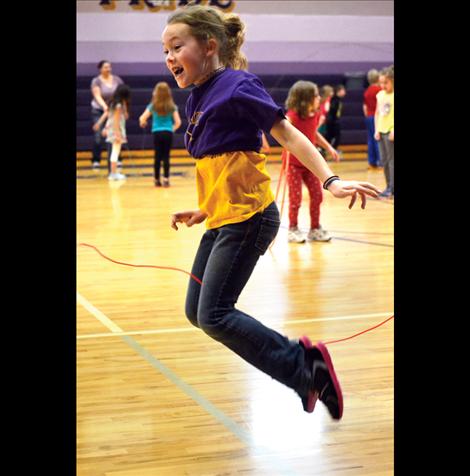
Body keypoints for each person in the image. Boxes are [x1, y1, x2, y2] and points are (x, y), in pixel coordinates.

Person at [163, 5, 380, 419]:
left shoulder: (237, 85)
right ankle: (304, 370)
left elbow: (289, 134)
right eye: (165, 51)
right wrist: (204, 208)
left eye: (177, 47)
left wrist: (331, 181)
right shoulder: (196, 97)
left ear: (210, 46)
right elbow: (224, 163)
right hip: (223, 216)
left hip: (250, 219)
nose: (170, 57)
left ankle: (305, 366)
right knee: (197, 312)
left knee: (214, 314)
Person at [284, 80, 340, 243]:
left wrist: (329, 147)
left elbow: (314, 134)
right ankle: (293, 228)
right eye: (315, 95)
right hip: (294, 163)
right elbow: (285, 136)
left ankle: (315, 228)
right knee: (295, 198)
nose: (318, 97)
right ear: (304, 98)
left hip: (310, 163)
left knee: (317, 195)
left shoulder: (315, 115)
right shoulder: (292, 117)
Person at [139, 82, 182, 187]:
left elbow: (142, 118)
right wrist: (171, 129)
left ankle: (156, 179)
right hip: (168, 133)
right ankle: (166, 179)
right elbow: (178, 122)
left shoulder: (153, 106)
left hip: (157, 133)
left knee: (157, 156)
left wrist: (143, 123)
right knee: (166, 156)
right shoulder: (172, 106)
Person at [90, 60, 124, 170]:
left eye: (109, 67)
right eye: (105, 67)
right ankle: (96, 160)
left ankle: (116, 159)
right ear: (100, 69)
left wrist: (117, 107)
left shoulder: (117, 80)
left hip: (114, 110)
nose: (108, 69)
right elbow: (97, 95)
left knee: (115, 135)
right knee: (98, 136)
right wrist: (105, 107)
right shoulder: (96, 81)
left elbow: (122, 93)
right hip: (99, 110)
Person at [95, 84, 131, 181]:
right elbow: (115, 120)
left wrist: (105, 128)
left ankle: (113, 172)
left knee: (114, 152)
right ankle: (113, 173)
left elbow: (122, 116)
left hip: (112, 130)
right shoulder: (118, 106)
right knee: (115, 153)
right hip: (116, 131)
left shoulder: (113, 103)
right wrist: (118, 134)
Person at [374, 66, 394, 197]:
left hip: (391, 131)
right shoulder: (380, 95)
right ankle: (388, 186)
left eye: (385, 83)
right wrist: (376, 130)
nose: (383, 85)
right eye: (381, 83)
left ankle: (392, 188)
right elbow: (377, 113)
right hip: (381, 131)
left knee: (392, 161)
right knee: (384, 161)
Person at [363, 69, 382, 169]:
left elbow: (365, 107)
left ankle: (372, 161)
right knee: (378, 139)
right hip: (377, 117)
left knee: (370, 139)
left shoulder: (367, 91)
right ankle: (380, 161)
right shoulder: (379, 90)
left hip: (369, 117)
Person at [325, 84, 346, 151]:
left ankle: (332, 149)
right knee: (330, 136)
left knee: (335, 136)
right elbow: (331, 110)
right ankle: (330, 149)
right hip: (332, 121)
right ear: (339, 91)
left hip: (335, 121)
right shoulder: (333, 100)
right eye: (343, 90)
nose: (345, 92)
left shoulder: (339, 100)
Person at [317, 85, 334, 157]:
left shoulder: (321, 99)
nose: (333, 93)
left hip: (320, 119)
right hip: (322, 120)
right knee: (319, 136)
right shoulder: (328, 100)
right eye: (332, 91)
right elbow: (326, 110)